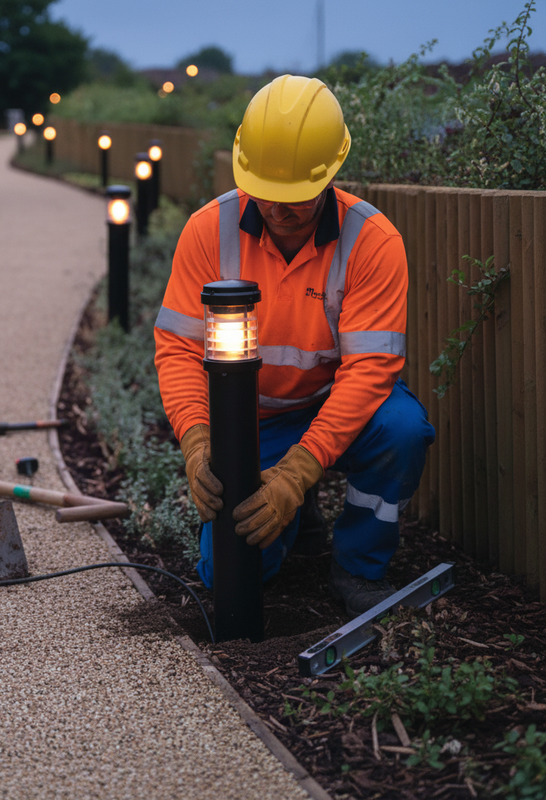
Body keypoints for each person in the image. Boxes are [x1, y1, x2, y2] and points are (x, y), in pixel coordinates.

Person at [154, 75, 435, 619]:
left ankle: (359, 566)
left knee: (403, 430)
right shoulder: (206, 231)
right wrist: (196, 440)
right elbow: (178, 351)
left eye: (297, 201)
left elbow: (369, 372)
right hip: (246, 421)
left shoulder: (373, 242)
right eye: (268, 196)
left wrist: (300, 470)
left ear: (331, 175)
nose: (280, 212)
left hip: (334, 408)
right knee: (227, 573)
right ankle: (300, 519)